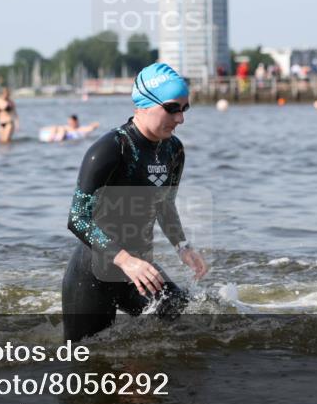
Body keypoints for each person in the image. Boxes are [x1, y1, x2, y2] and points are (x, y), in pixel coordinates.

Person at [63, 63, 208, 342]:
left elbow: (164, 204)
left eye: (184, 109)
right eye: (172, 108)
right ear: (143, 105)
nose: (180, 119)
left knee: (188, 326)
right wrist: (126, 261)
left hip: (138, 268)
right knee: (88, 360)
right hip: (94, 273)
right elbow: (78, 218)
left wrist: (182, 246)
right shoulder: (110, 149)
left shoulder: (173, 151)